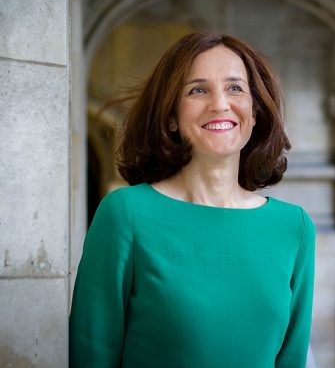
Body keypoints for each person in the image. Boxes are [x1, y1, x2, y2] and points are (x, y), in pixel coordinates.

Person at [69, 32, 316, 367]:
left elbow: (292, 358)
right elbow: (92, 356)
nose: (219, 103)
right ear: (171, 116)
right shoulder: (125, 214)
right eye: (198, 90)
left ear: (255, 113)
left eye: (235, 88)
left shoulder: (295, 227)